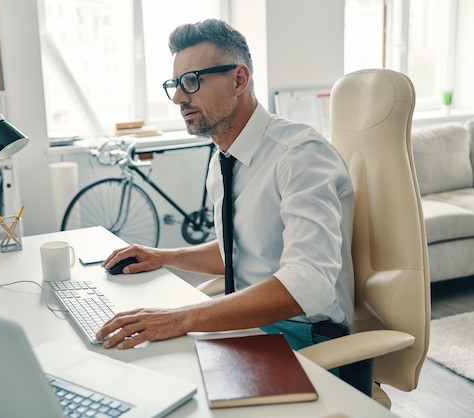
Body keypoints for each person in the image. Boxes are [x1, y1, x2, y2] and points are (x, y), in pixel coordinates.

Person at [98, 18, 355, 371]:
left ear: (239, 80)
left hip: (305, 337)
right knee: (138, 366)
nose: (177, 97)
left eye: (191, 81)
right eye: (174, 84)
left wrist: (182, 318)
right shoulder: (224, 159)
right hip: (250, 327)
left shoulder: (300, 154)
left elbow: (308, 283)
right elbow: (239, 253)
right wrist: (164, 256)